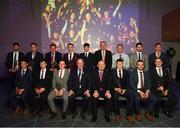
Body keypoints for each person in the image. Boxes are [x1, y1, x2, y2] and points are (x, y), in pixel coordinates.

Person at [111, 59, 134, 123]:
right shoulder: (112, 72)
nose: (120, 65)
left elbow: (128, 82)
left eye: (121, 64)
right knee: (115, 97)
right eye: (118, 64)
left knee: (131, 97)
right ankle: (117, 114)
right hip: (116, 89)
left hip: (124, 89)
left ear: (123, 64)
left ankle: (128, 115)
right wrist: (115, 89)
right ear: (116, 64)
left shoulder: (126, 72)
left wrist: (125, 89)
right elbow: (110, 83)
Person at [5, 42, 24, 108]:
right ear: (13, 47)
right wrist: (10, 69)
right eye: (14, 47)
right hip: (11, 72)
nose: (15, 48)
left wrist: (19, 69)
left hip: (19, 72)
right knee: (10, 87)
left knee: (18, 86)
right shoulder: (9, 54)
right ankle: (10, 101)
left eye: (17, 47)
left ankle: (19, 102)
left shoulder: (22, 54)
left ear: (19, 47)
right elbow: (6, 63)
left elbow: (23, 63)